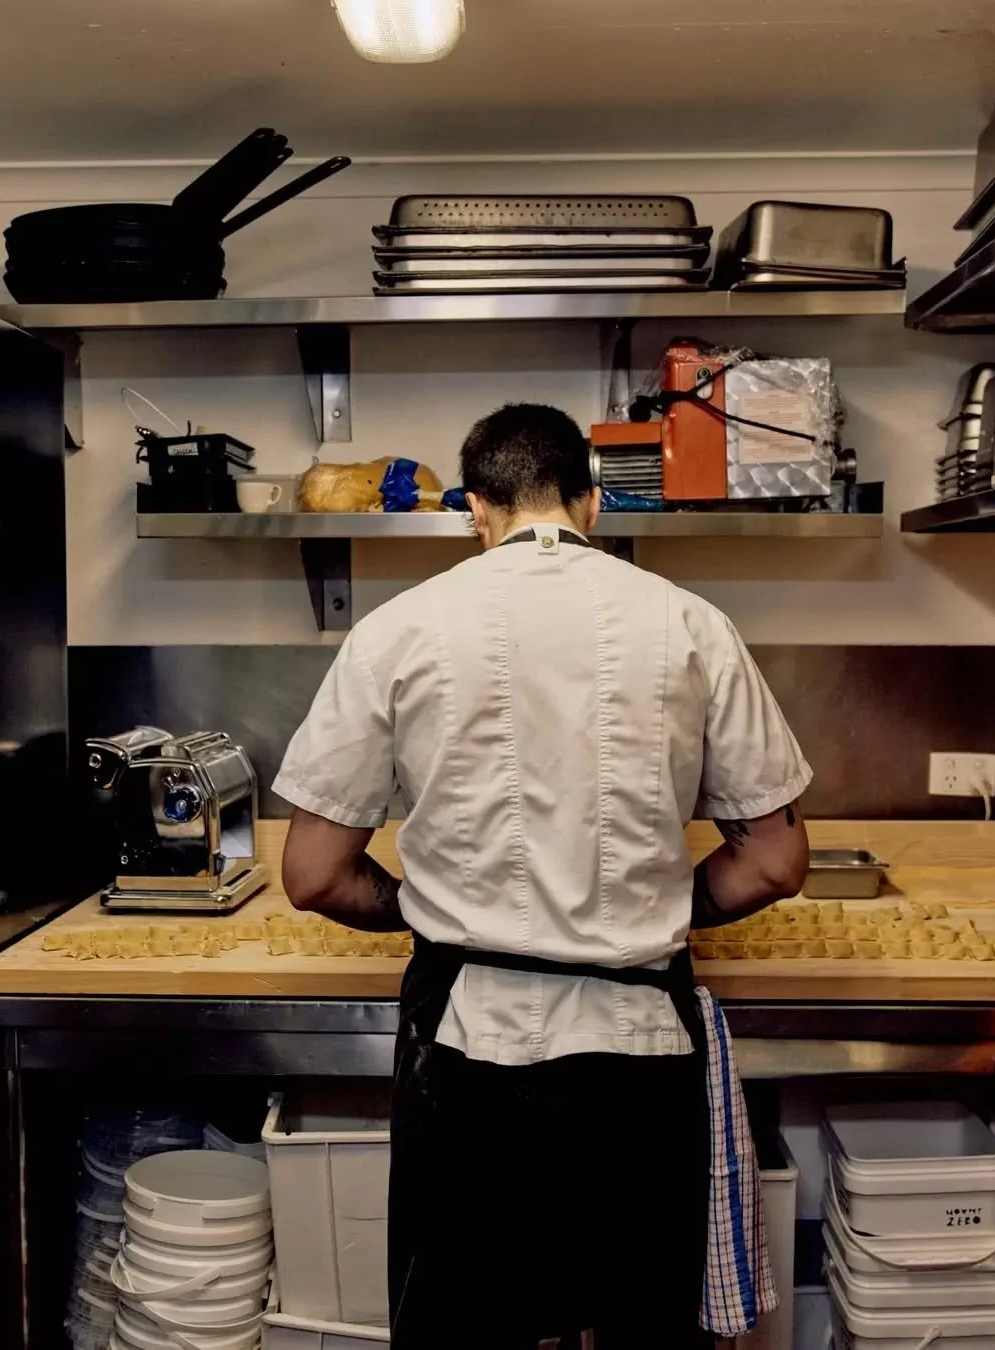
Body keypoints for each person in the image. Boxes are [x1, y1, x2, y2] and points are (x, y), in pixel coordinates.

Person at [273, 403, 811, 1350]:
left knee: (466, 1333)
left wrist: (420, 906)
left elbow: (314, 876)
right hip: (642, 1057)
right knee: (643, 1331)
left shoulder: (401, 630)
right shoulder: (692, 626)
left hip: (468, 1055)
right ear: (593, 504)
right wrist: (658, 906)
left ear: (474, 510)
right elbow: (774, 859)